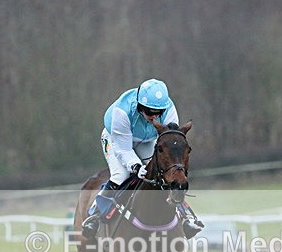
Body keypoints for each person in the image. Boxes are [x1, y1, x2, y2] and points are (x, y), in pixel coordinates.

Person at [81, 78, 203, 239]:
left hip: (146, 141)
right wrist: (136, 167)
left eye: (158, 113)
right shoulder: (122, 112)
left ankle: (187, 216)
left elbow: (168, 140)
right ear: (139, 106)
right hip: (116, 139)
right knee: (121, 175)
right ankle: (94, 215)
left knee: (163, 174)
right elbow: (124, 149)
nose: (154, 117)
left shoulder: (169, 109)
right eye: (149, 112)